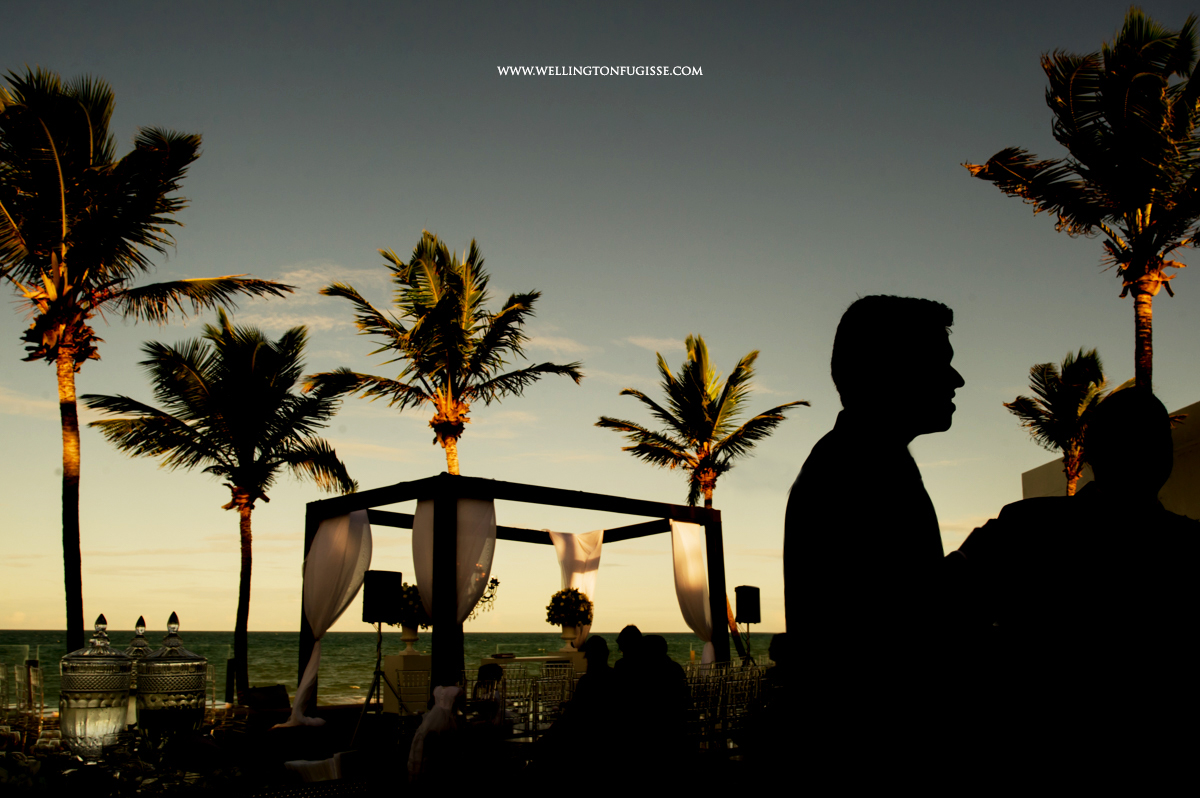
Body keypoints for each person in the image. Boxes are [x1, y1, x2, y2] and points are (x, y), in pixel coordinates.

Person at [957, 388, 1197, 778]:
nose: (1150, 449)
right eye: (1135, 436)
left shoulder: (1025, 526)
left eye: (1156, 436)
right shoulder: (1024, 529)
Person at [783, 295, 966, 769]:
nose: (956, 379)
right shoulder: (863, 468)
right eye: (939, 364)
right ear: (892, 370)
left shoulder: (858, 459)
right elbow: (897, 635)